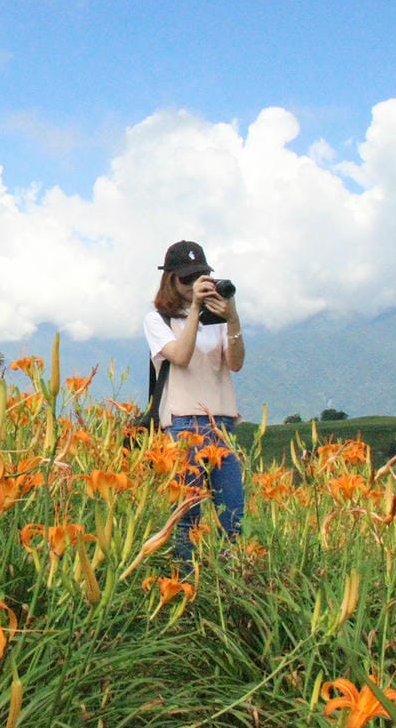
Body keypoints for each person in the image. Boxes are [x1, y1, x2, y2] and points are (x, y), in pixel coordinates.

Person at [143, 240, 245, 567]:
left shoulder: (217, 318)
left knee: (234, 514)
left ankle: (230, 584)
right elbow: (182, 357)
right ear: (170, 279)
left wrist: (232, 318)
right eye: (186, 279)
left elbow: (236, 363)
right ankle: (188, 584)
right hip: (184, 424)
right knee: (188, 515)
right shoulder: (157, 319)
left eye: (200, 276)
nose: (193, 285)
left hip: (222, 423)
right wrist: (196, 313)